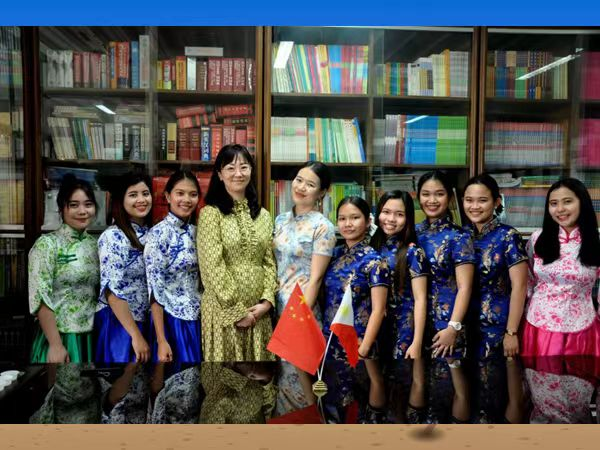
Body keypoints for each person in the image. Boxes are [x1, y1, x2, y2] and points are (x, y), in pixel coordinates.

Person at [197, 144, 277, 361]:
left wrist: (266, 303)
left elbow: (269, 263)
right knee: (227, 377)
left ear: (251, 170)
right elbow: (211, 266)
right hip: (224, 314)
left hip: (259, 315)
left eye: (244, 167)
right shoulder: (210, 214)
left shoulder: (263, 216)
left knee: (259, 374)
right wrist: (237, 312)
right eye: (230, 168)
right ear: (220, 175)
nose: (238, 173)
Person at [272, 161, 337, 414]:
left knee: (299, 382)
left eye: (310, 184)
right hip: (275, 309)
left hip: (300, 311)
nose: (301, 187)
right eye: (299, 180)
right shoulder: (280, 220)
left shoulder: (323, 227)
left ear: (321, 192)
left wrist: (297, 320)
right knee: (280, 381)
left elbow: (316, 279)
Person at [322, 196, 389, 423]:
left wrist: (366, 346)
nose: (348, 224)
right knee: (333, 400)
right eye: (342, 219)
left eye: (354, 218)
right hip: (331, 339)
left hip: (360, 340)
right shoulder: (334, 255)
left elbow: (379, 309)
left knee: (361, 399)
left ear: (368, 221)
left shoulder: (374, 261)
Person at [416, 170, 474, 424]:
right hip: (416, 323)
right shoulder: (413, 233)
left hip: (447, 323)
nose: (432, 200)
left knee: (453, 386)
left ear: (450, 198)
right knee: (420, 385)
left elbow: (465, 286)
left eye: (439, 194)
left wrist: (454, 327)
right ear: (418, 197)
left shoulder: (460, 236)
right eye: (426, 194)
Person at [521, 177, 600, 357]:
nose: (560, 209)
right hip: (538, 325)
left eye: (567, 202)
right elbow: (528, 282)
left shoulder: (596, 242)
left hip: (583, 328)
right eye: (554, 203)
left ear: (582, 203)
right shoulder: (537, 239)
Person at [370, 190, 428, 423]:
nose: (391, 219)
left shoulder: (413, 251)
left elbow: (421, 299)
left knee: (406, 382)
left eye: (399, 214)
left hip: (405, 326)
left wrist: (417, 341)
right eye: (386, 212)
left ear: (408, 218)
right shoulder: (372, 248)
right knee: (379, 380)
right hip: (377, 324)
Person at [29, 175, 99, 363]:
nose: (82, 211)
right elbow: (40, 297)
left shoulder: (95, 245)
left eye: (88, 204)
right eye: (74, 205)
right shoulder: (47, 245)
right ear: (62, 208)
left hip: (91, 338)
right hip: (60, 337)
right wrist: (55, 345)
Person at [462, 173, 528, 359]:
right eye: (469, 200)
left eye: (482, 200)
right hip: (463, 325)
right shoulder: (461, 235)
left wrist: (511, 332)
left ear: (497, 202)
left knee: (493, 375)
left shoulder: (508, 236)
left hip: (496, 325)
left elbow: (520, 286)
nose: (474, 206)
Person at [144, 170, 202, 363]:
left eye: (193, 194)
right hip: (171, 321)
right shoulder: (158, 234)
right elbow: (155, 289)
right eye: (180, 193)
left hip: (198, 318)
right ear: (168, 196)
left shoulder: (198, 232)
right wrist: (161, 340)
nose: (187, 200)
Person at [94, 172, 153, 363]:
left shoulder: (152, 233)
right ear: (121, 200)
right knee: (123, 378)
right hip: (120, 324)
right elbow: (112, 290)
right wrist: (135, 336)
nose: (141, 200)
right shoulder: (113, 236)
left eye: (145, 193)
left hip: (146, 321)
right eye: (133, 195)